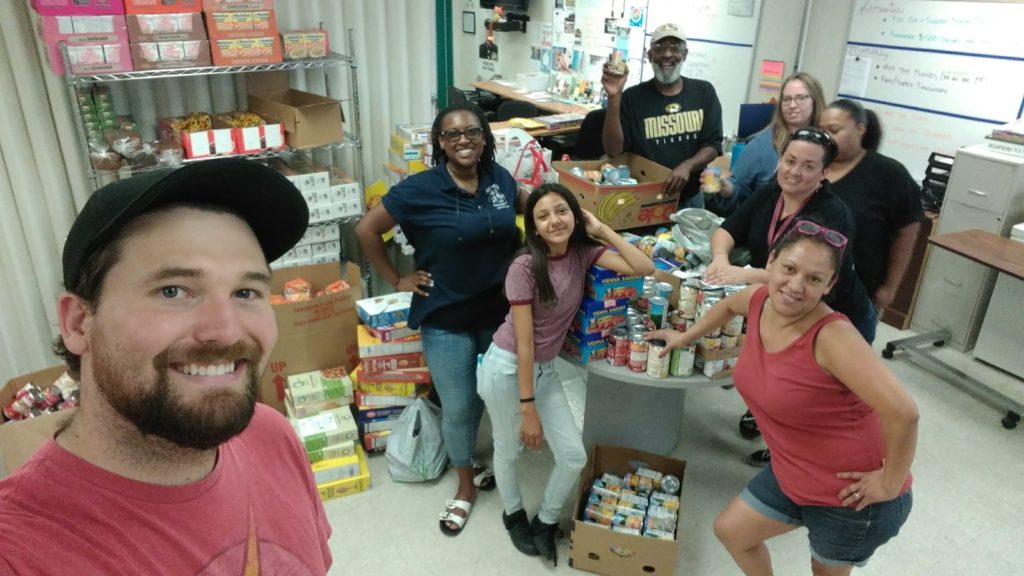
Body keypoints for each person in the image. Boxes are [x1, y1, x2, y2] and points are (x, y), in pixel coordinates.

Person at [0, 159, 332, 573]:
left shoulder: (272, 437)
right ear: (78, 323)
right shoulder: (19, 553)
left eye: (246, 291)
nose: (226, 331)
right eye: (173, 291)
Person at [647, 220, 918, 575]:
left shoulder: (833, 338)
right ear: (770, 263)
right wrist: (685, 338)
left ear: (829, 286)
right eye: (789, 269)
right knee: (732, 532)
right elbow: (728, 307)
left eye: (814, 279)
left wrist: (889, 482)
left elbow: (904, 413)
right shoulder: (761, 300)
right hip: (793, 473)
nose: (795, 286)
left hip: (851, 497)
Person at [355, 102, 527, 537]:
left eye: (472, 131)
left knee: (490, 395)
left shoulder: (499, 180)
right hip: (446, 315)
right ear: (440, 143)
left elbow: (537, 209)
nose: (463, 140)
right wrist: (396, 278)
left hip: (497, 313)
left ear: (486, 138)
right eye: (452, 135)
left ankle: (470, 456)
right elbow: (366, 230)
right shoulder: (418, 190)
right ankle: (465, 485)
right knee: (458, 402)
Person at [477, 183, 655, 566]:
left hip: (544, 369)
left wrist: (603, 229)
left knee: (573, 456)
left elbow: (645, 267)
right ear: (534, 228)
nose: (554, 220)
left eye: (562, 211)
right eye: (542, 216)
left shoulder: (584, 253)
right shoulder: (524, 267)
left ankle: (544, 521)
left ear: (576, 216)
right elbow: (524, 344)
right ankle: (513, 515)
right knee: (509, 449)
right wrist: (528, 409)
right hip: (507, 367)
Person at [704, 127, 875, 468]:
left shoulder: (832, 214)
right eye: (790, 160)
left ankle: (788, 453)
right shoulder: (772, 193)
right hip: (785, 309)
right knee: (772, 374)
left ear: (824, 174)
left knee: (812, 395)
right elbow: (727, 230)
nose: (795, 171)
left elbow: (809, 281)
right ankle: (763, 416)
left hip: (833, 317)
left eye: (809, 166)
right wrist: (721, 260)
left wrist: (746, 274)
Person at [601, 22, 723, 210]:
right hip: (644, 201)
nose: (667, 54)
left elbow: (713, 145)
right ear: (650, 56)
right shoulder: (633, 98)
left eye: (675, 48)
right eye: (660, 48)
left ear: (685, 55)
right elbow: (613, 151)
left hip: (690, 200)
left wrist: (688, 166)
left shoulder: (704, 92)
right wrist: (614, 96)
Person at [819, 99, 924, 314]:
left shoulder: (888, 173)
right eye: (822, 130)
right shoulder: (814, 164)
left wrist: (889, 287)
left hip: (856, 293)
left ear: (860, 129)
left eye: (835, 130)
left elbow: (907, 230)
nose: (826, 137)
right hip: (805, 287)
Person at [706, 72, 827, 218]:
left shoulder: (828, 144)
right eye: (786, 99)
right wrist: (724, 186)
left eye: (800, 98)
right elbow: (738, 190)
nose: (792, 105)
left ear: (815, 100)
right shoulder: (761, 144)